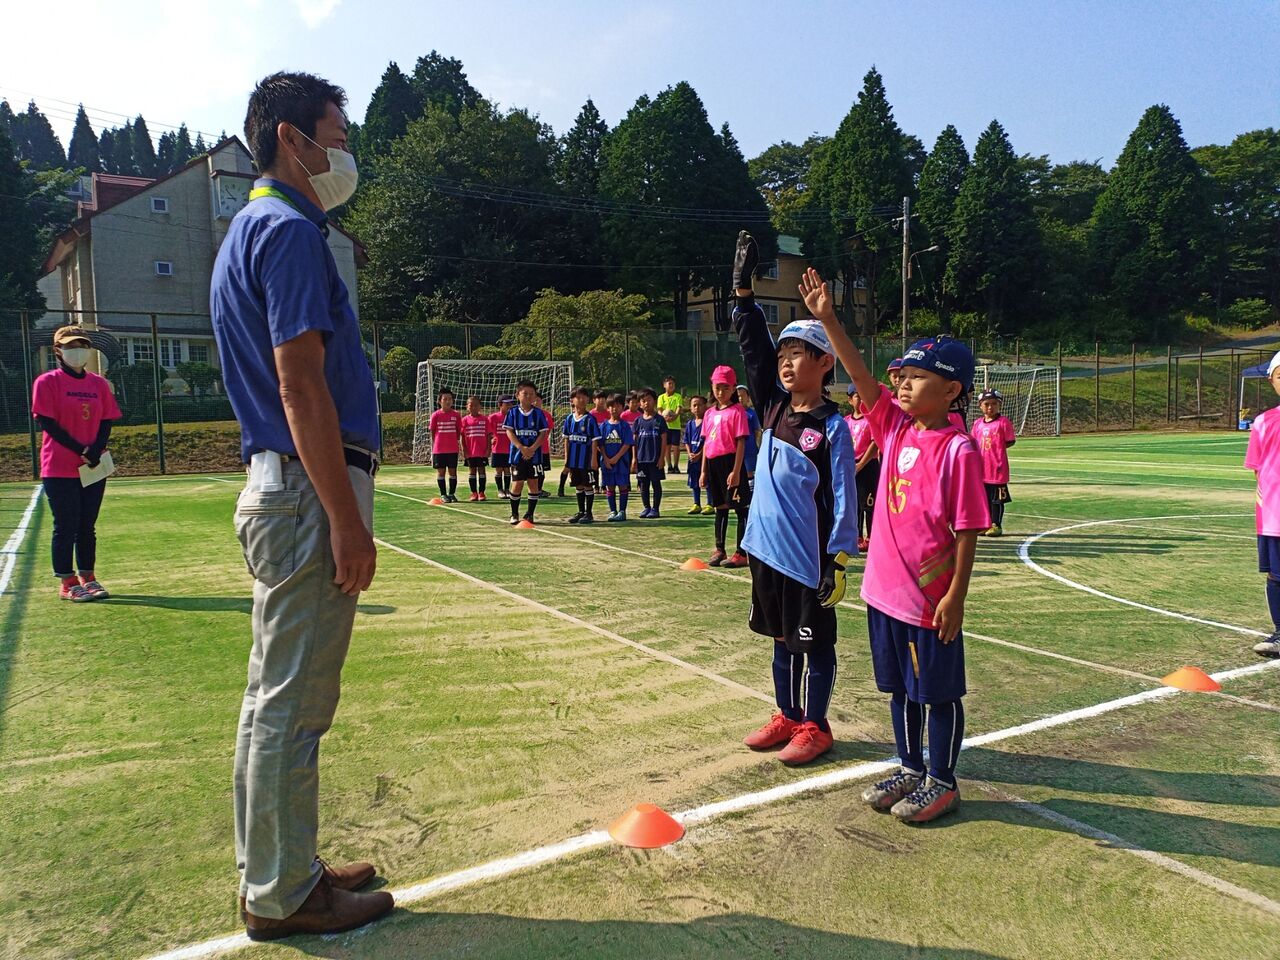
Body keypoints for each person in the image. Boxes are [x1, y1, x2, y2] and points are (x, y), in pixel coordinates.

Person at [210, 71, 392, 939]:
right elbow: (300, 382)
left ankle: (279, 868)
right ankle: (284, 895)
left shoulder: (249, 229)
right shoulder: (287, 232)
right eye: (336, 132)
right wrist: (347, 520)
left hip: (280, 485)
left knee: (270, 698)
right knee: (293, 703)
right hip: (307, 489)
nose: (344, 150)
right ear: (292, 138)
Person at [802, 263, 988, 824]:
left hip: (928, 602)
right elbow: (861, 379)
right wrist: (830, 321)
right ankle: (909, 765)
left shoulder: (959, 451)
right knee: (900, 690)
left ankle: (942, 779)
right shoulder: (897, 429)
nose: (903, 385)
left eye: (917, 377)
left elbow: (969, 529)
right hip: (883, 593)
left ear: (952, 390)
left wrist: (955, 595)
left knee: (936, 692)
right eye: (901, 376)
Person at [731, 233, 858, 766]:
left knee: (814, 644)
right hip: (766, 552)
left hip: (809, 562)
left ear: (825, 363)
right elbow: (752, 350)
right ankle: (786, 713)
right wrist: (742, 297)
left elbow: (847, 495)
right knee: (780, 640)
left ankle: (816, 724)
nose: (785, 363)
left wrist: (838, 557)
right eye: (784, 354)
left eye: (799, 353)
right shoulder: (772, 410)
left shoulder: (831, 427)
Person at [31, 325, 121, 602]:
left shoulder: (97, 384)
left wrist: (95, 450)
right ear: (57, 350)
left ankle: (88, 577)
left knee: (87, 525)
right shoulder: (47, 382)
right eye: (69, 346)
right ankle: (67, 581)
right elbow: (47, 422)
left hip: (93, 465)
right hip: (59, 466)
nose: (76, 351)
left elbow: (107, 418)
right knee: (66, 524)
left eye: (81, 345)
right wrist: (80, 448)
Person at [1245, 351, 1280, 659]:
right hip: (1272, 516)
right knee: (1276, 575)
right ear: (1271, 380)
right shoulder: (1263, 422)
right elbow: (1258, 468)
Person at [701, 368, 751, 567]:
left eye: (725, 388)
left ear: (732, 389)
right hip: (713, 464)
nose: (720, 392)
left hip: (731, 463)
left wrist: (736, 471)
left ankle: (742, 552)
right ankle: (720, 549)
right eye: (717, 388)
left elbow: (740, 442)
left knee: (740, 509)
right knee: (720, 507)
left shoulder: (738, 411)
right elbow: (706, 443)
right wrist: (704, 471)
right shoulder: (709, 413)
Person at [504, 381, 550, 525]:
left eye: (532, 394)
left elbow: (543, 433)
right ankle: (514, 513)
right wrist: (521, 447)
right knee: (517, 484)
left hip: (535, 455)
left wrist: (532, 448)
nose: (529, 397)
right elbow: (509, 431)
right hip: (518, 454)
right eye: (525, 394)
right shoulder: (512, 412)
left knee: (533, 484)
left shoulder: (539, 414)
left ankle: (530, 514)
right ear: (518, 395)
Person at [971, 389, 1015, 536]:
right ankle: (985, 524)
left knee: (996, 500)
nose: (990, 407)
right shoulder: (977, 424)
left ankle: (996, 524)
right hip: (981, 470)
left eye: (994, 404)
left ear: (1000, 405)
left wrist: (996, 455)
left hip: (997, 469)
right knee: (983, 498)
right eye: (987, 404)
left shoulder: (1003, 422)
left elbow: (1009, 442)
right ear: (980, 406)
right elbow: (973, 443)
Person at [845, 386, 879, 552]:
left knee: (868, 503)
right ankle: (856, 536)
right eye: (857, 396)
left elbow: (875, 443)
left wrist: (861, 464)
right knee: (854, 504)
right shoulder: (846, 422)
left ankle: (872, 536)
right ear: (850, 400)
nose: (860, 399)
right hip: (851, 466)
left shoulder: (870, 420)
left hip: (868, 466)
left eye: (863, 396)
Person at [562, 386, 601, 524]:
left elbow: (595, 440)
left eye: (584, 397)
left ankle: (589, 513)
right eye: (578, 397)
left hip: (586, 460)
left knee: (588, 485)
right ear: (572, 400)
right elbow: (566, 439)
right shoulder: (569, 419)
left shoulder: (590, 419)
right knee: (578, 485)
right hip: (574, 460)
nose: (582, 399)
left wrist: (594, 459)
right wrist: (567, 459)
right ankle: (581, 511)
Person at [631, 388, 668, 519]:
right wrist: (634, 458)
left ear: (655, 401)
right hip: (641, 459)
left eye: (649, 400)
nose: (646, 403)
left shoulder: (660, 420)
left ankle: (655, 508)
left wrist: (661, 458)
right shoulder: (638, 421)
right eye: (643, 401)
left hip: (654, 459)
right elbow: (634, 441)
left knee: (656, 483)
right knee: (643, 484)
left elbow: (664, 439)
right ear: (639, 404)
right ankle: (646, 507)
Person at [600, 393, 634, 521]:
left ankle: (622, 511)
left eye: (618, 406)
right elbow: (600, 444)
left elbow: (627, 443)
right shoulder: (603, 426)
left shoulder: (624, 426)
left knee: (623, 486)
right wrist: (606, 458)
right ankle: (612, 511)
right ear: (607, 408)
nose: (615, 409)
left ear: (622, 408)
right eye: (612, 406)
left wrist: (616, 458)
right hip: (606, 463)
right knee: (609, 486)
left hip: (621, 462)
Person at [429, 387, 462, 502]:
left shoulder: (456, 415)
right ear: (440, 401)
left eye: (450, 399)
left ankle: (452, 493)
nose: (448, 401)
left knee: (453, 472)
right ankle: (443, 494)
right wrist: (437, 444)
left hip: (452, 449)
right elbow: (433, 431)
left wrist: (455, 441)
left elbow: (458, 431)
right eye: (445, 399)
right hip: (439, 450)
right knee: (441, 472)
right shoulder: (435, 415)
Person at [460, 395, 494, 502]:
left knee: (482, 471)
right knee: (472, 472)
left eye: (476, 405)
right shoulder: (464, 420)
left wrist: (489, 449)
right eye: (471, 405)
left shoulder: (485, 419)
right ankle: (473, 493)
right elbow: (462, 437)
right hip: (470, 452)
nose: (473, 407)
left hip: (482, 451)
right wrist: (464, 450)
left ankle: (482, 492)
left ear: (480, 407)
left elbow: (489, 435)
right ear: (467, 407)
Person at [682, 394, 707, 514]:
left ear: (705, 406)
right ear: (691, 408)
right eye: (694, 405)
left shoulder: (708, 422)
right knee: (694, 481)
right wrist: (690, 453)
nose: (697, 408)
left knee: (707, 479)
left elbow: (708, 442)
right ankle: (696, 503)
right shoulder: (689, 424)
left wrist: (700, 454)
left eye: (699, 405)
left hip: (704, 458)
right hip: (692, 459)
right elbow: (686, 441)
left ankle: (710, 504)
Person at [657, 375, 685, 474]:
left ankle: (676, 466)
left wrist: (674, 416)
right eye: (669, 383)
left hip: (675, 426)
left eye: (673, 383)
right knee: (667, 447)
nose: (671, 385)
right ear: (664, 385)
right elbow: (659, 410)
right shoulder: (661, 397)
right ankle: (669, 466)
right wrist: (664, 418)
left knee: (676, 446)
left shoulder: (678, 396)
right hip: (665, 426)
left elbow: (679, 408)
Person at [489, 396, 514, 499]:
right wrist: (491, 439)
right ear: (500, 405)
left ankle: (507, 489)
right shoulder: (493, 417)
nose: (509, 406)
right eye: (506, 404)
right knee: (499, 470)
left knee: (507, 470)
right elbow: (489, 432)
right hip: (497, 448)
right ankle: (500, 490)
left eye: (510, 404)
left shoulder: (513, 416)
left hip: (509, 448)